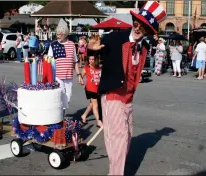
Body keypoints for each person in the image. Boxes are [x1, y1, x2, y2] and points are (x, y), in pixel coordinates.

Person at [88, 1, 166, 175]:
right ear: (133, 22)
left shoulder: (144, 47)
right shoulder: (113, 38)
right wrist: (91, 50)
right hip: (113, 95)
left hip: (128, 98)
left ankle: (116, 169)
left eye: (144, 27)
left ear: (147, 31)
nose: (139, 29)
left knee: (127, 136)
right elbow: (95, 54)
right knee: (119, 138)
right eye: (137, 24)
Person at [47, 25, 83, 115]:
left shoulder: (72, 45)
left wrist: (79, 75)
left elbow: (75, 61)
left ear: (66, 34)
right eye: (57, 34)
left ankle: (61, 113)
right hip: (58, 75)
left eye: (60, 34)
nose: (58, 36)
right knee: (61, 95)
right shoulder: (53, 44)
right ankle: (60, 116)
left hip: (69, 75)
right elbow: (49, 59)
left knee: (68, 97)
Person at [80, 55, 103, 128]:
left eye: (93, 59)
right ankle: (99, 121)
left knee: (92, 104)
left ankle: (84, 116)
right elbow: (81, 76)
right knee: (95, 105)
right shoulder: (86, 68)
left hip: (98, 89)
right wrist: (80, 80)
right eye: (90, 59)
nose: (91, 61)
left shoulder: (99, 68)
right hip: (90, 89)